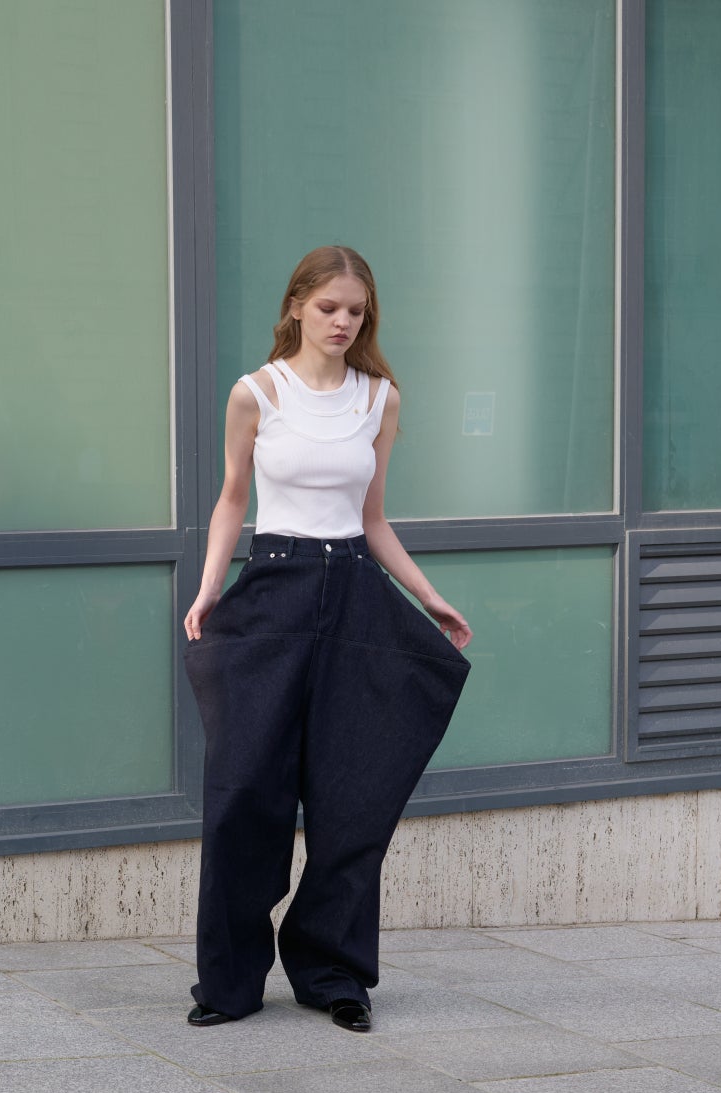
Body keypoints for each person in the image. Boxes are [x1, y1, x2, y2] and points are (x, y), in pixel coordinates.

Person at [180, 244, 473, 1033]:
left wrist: (429, 598)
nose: (343, 321)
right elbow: (232, 500)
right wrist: (210, 587)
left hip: (354, 602)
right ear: (296, 306)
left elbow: (372, 519)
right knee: (245, 793)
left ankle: (332, 972)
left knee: (355, 795)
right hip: (272, 595)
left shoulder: (379, 399)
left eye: (356, 311)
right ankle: (229, 982)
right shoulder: (257, 393)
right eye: (328, 307)